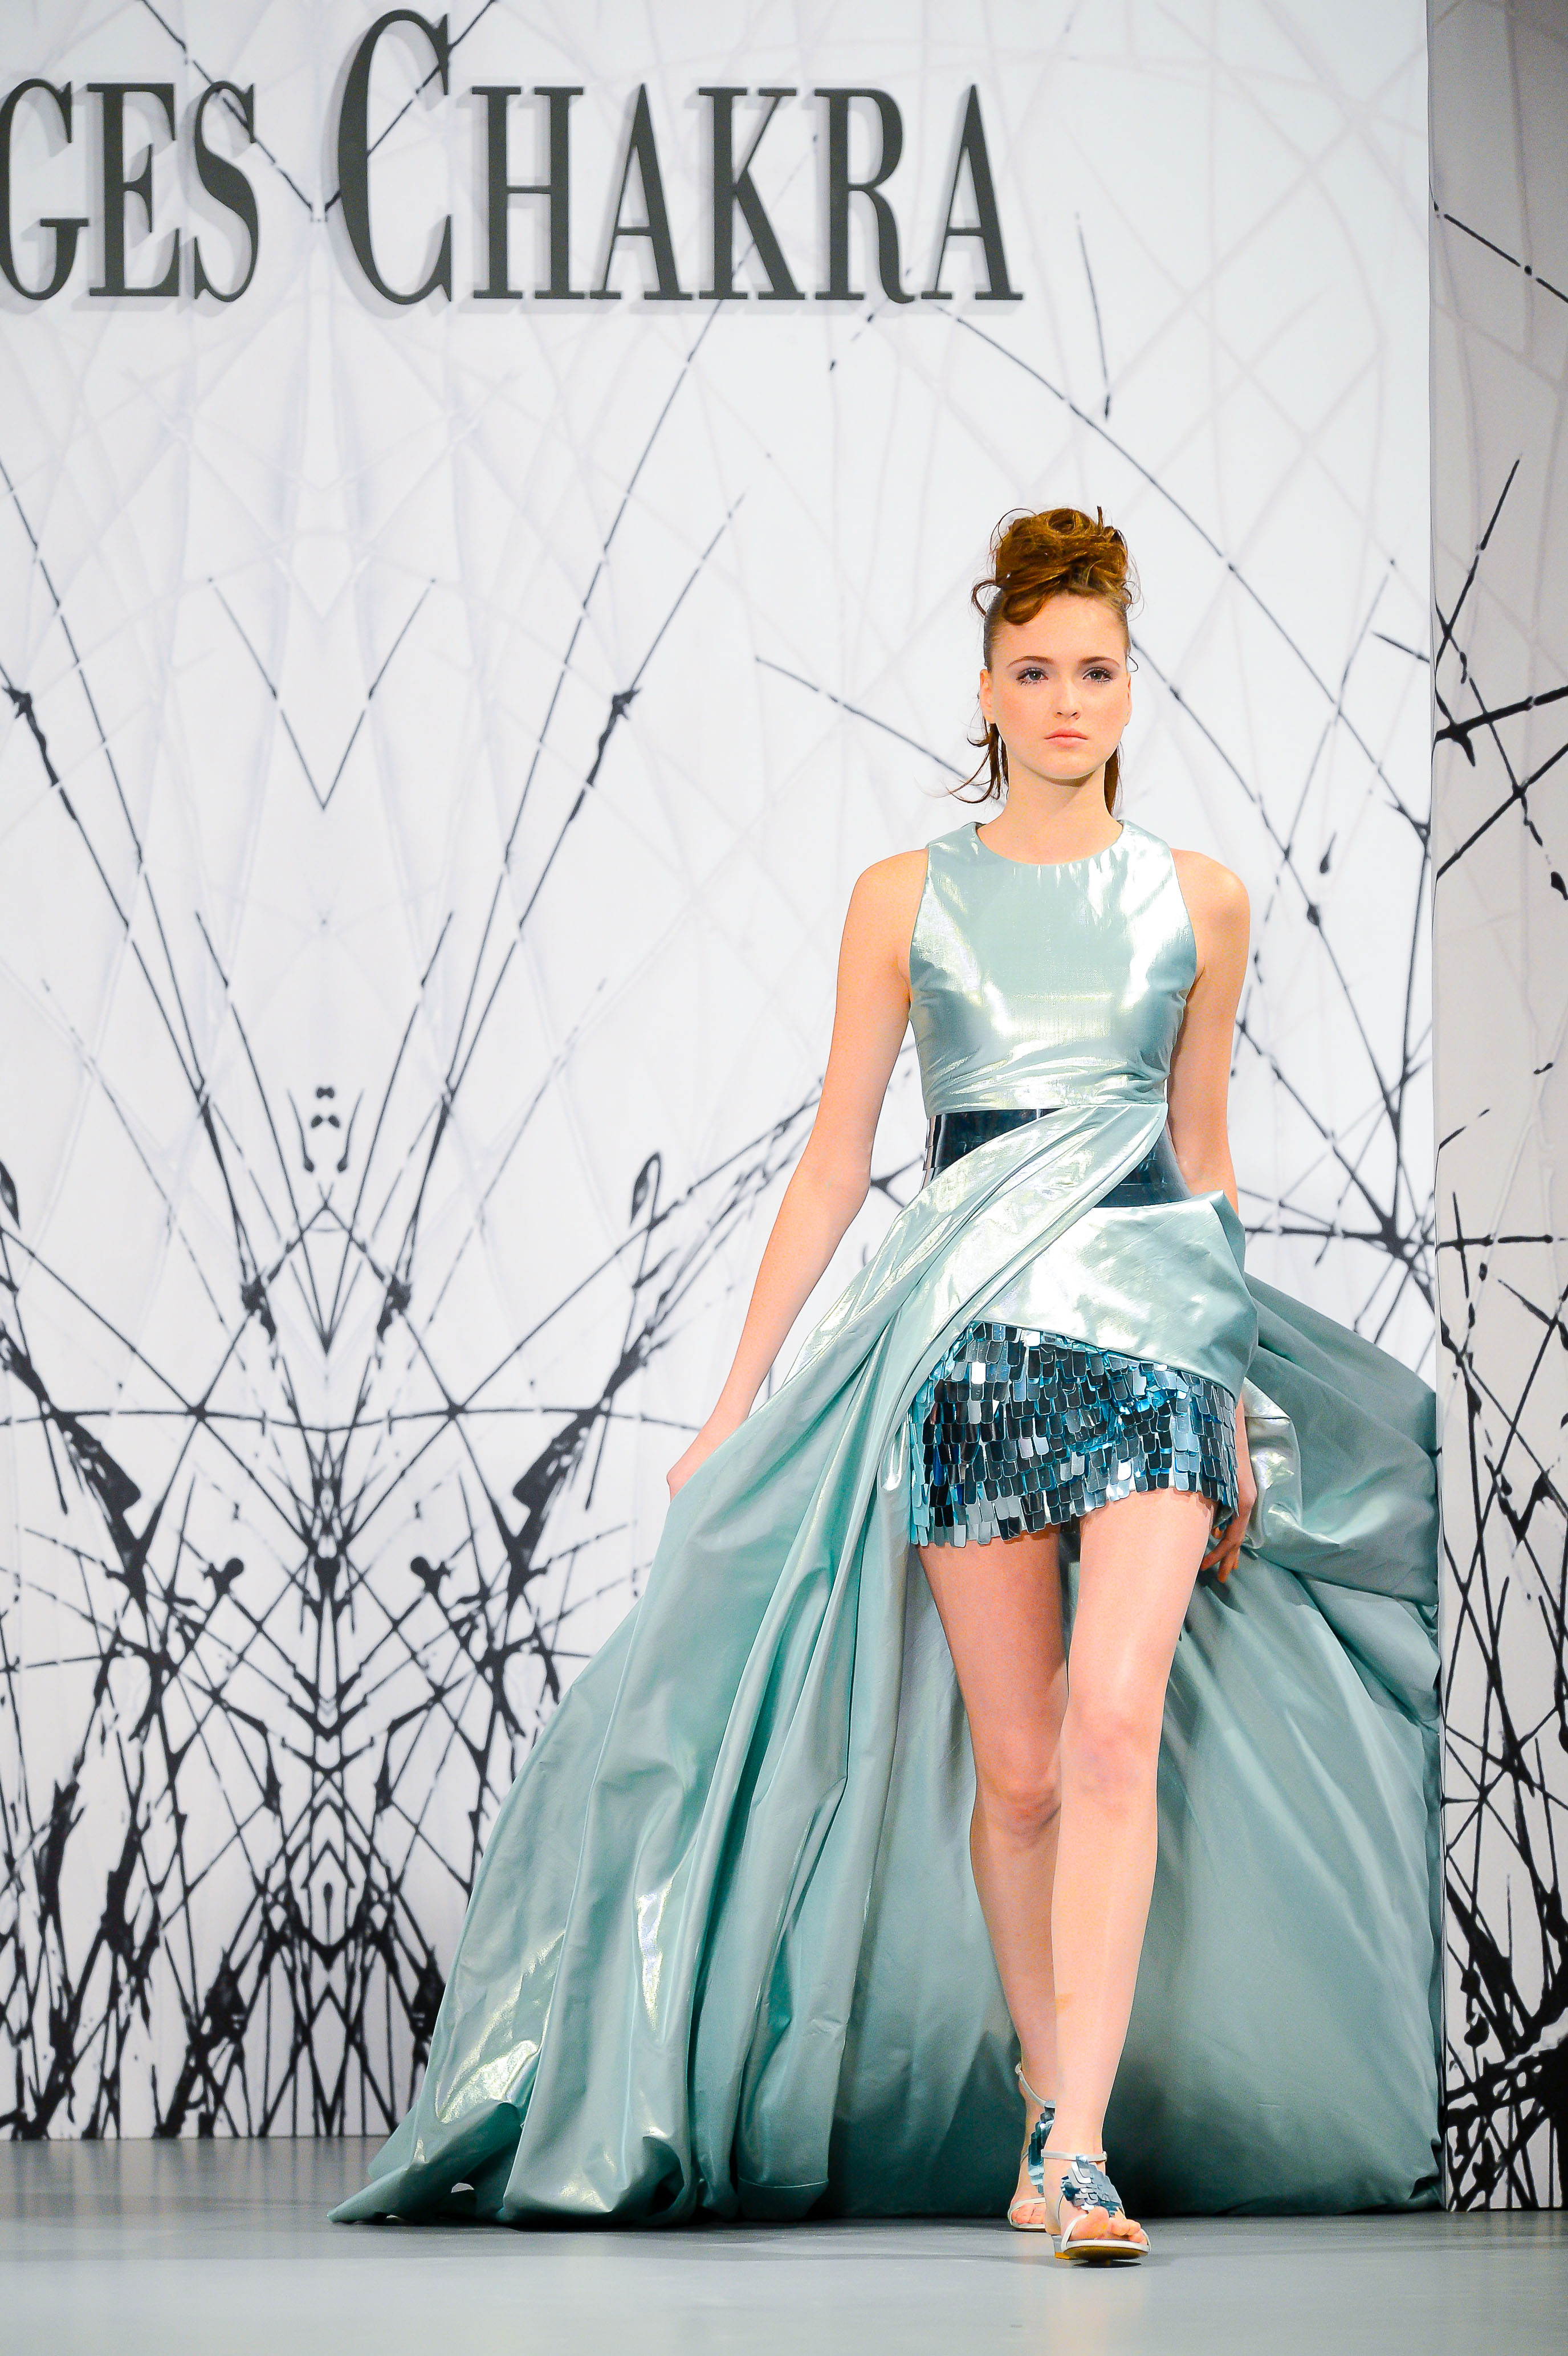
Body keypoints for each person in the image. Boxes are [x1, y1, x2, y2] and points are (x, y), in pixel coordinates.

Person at [333, 510, 1440, 2255]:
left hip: (1155, 1343)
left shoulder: (1199, 900)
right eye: (1035, 670)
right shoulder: (906, 899)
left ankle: (1079, 2148)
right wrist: (733, 1403)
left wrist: (1232, 1391)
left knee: (1116, 1728)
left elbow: (1207, 1157)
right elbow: (839, 1161)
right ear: (986, 690)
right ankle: (1043, 2114)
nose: (1066, 700)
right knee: (1021, 1770)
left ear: (1129, 689)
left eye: (1095, 670)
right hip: (968, 1356)